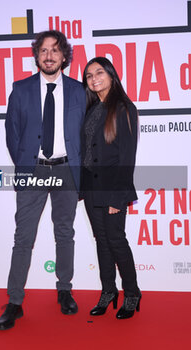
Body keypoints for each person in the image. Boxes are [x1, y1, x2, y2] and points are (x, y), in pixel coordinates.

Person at [0, 30, 86, 330]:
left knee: (65, 232)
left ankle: (64, 290)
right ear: (37, 55)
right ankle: (14, 301)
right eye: (44, 50)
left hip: (66, 170)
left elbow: (84, 137)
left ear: (64, 57)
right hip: (33, 170)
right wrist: (25, 166)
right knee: (23, 238)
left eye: (55, 50)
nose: (49, 55)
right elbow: (13, 135)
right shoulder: (20, 89)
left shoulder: (77, 90)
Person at [81, 57, 141, 319]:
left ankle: (132, 293)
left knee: (116, 240)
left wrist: (119, 196)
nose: (94, 78)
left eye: (99, 72)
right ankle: (108, 291)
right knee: (102, 241)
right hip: (91, 188)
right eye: (88, 75)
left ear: (111, 75)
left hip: (113, 187)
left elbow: (128, 158)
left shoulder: (125, 107)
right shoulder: (92, 108)